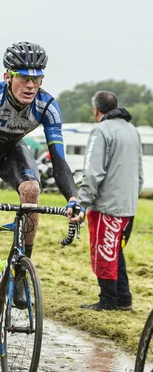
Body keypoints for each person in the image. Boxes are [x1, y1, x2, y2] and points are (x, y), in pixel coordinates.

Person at [0, 41, 85, 358]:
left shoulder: (47, 105)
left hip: (11, 151)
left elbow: (59, 161)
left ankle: (20, 271)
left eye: (37, 78)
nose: (31, 85)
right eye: (24, 77)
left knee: (32, 191)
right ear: (7, 76)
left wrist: (73, 198)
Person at [77, 91, 143, 311]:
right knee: (116, 250)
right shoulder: (132, 130)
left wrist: (81, 202)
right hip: (128, 206)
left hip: (107, 206)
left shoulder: (100, 130)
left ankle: (108, 301)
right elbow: (140, 173)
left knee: (104, 252)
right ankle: (124, 299)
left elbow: (92, 172)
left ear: (96, 110)